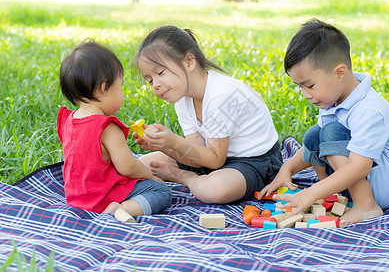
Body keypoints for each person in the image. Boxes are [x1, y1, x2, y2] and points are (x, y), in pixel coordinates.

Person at [258, 19, 389, 224]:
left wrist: (311, 193)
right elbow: (315, 143)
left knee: (331, 132)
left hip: (384, 185)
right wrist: (287, 169)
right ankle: (333, 196)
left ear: (340, 73)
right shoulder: (332, 99)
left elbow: (360, 167)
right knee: (315, 134)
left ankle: (366, 205)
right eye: (300, 87)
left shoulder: (369, 110)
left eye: (310, 85)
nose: (305, 94)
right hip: (354, 177)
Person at [132, 25, 283, 204]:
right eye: (149, 80)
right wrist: (163, 146)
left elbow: (215, 160)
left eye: (160, 73)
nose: (155, 84)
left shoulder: (220, 96)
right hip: (213, 159)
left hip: (255, 162)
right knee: (142, 165)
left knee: (213, 190)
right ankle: (193, 177)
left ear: (189, 61)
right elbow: (197, 157)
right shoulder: (182, 98)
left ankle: (187, 179)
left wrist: (173, 142)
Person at [57, 40, 172, 222]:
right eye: (120, 86)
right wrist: (150, 176)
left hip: (77, 197)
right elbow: (128, 167)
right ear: (104, 87)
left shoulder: (69, 120)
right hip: (102, 197)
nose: (123, 93)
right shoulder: (106, 127)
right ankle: (120, 209)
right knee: (161, 192)